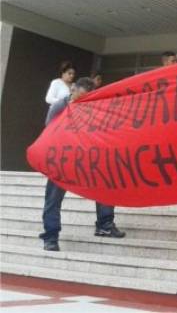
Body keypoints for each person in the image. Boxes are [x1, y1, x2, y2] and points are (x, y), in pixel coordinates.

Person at [39, 77, 126, 251]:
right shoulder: (59, 107)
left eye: (87, 98)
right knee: (53, 199)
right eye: (80, 96)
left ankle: (105, 225)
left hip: (86, 157)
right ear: (73, 89)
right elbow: (50, 132)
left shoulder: (93, 106)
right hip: (62, 159)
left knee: (105, 185)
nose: (82, 101)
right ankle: (51, 236)